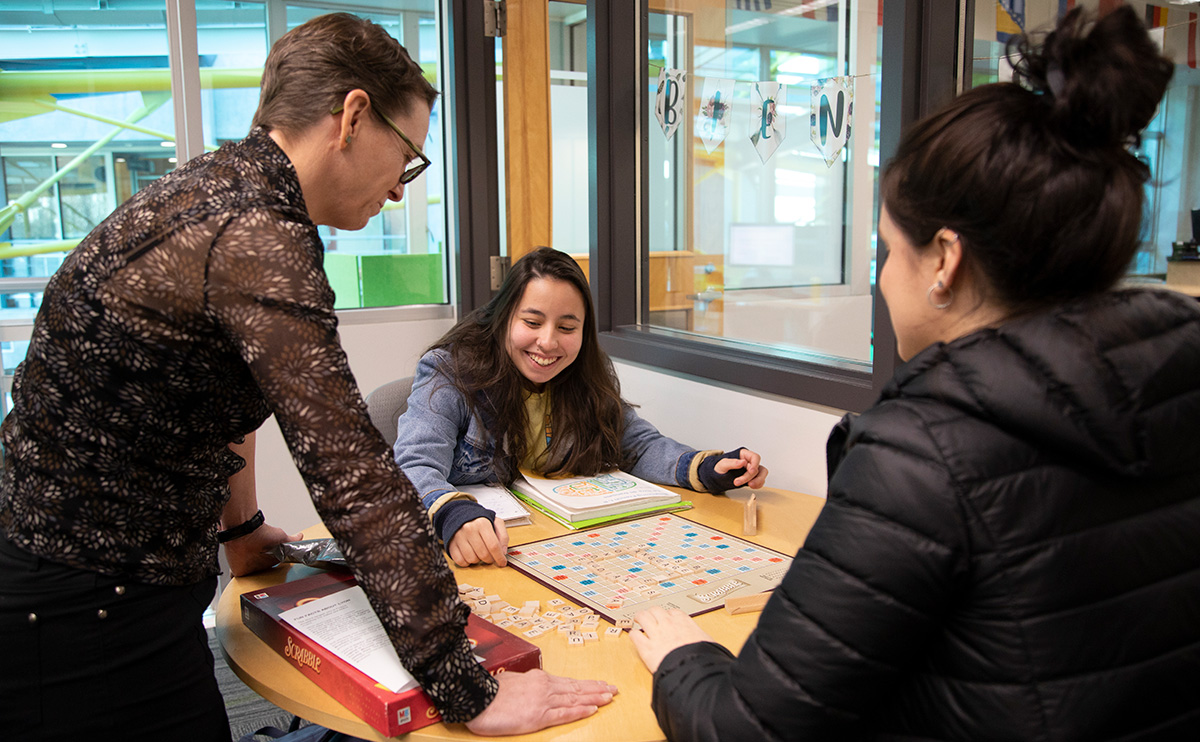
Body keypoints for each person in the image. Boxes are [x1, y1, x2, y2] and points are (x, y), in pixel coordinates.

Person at [0, 14, 614, 741]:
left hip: (97, 573)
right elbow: (351, 471)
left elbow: (219, 398)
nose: (396, 193)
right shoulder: (258, 234)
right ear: (353, 117)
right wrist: (465, 684)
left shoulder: (217, 189)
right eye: (408, 158)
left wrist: (244, 530)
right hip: (87, 598)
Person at [628, 7, 1200, 739]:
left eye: (887, 252)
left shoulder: (925, 451)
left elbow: (746, 728)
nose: (882, 280)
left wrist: (686, 657)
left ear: (946, 262)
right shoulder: (1177, 380)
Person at [394, 247, 769, 567]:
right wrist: (451, 513)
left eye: (567, 328)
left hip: (561, 544)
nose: (547, 342)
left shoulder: (586, 374)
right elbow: (414, 463)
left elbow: (635, 443)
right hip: (490, 549)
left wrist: (703, 467)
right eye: (532, 321)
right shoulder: (451, 370)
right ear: (504, 316)